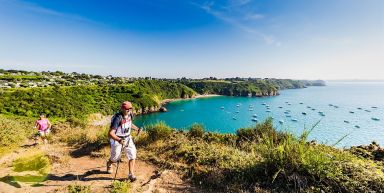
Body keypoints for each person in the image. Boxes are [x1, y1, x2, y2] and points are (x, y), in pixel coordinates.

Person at [107, 101, 141, 181]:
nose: (129, 110)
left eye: (130, 108)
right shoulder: (117, 118)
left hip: (128, 138)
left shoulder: (130, 115)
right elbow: (110, 133)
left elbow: (129, 124)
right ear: (122, 109)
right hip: (117, 139)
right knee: (115, 158)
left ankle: (131, 174)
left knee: (132, 155)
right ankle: (109, 163)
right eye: (127, 109)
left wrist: (137, 129)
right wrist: (119, 140)